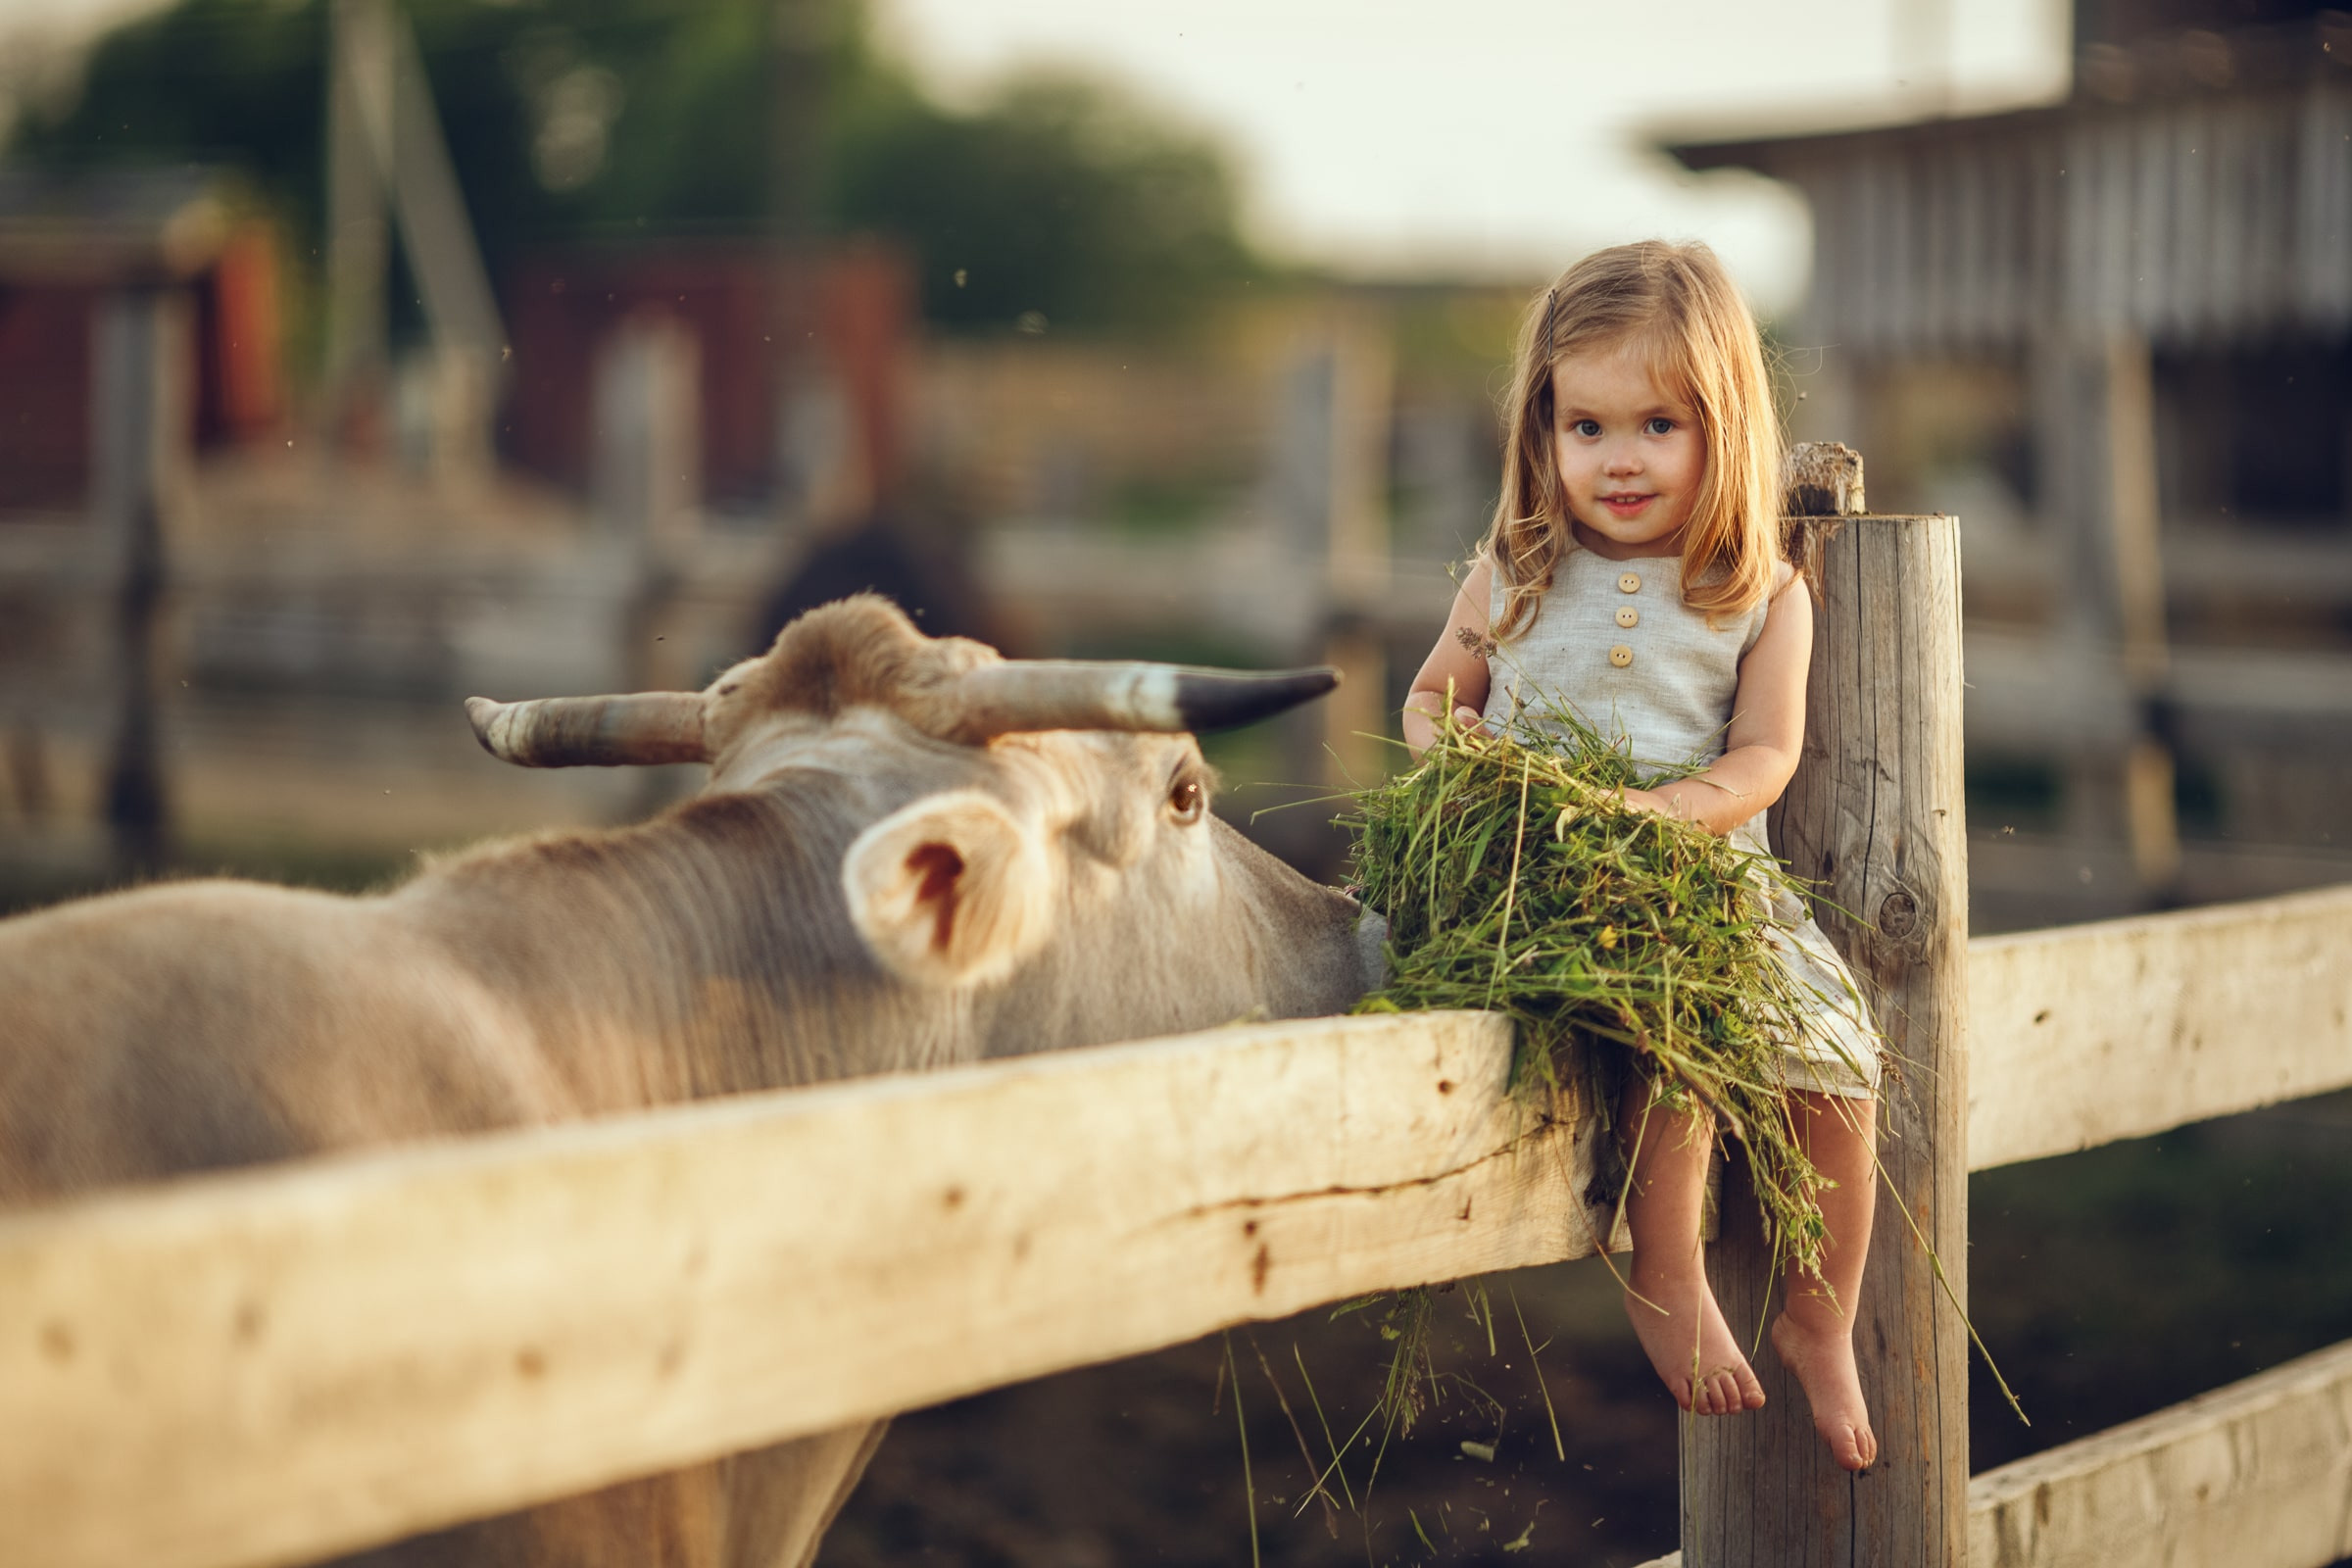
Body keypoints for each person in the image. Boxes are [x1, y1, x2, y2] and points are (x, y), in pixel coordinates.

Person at [1399, 239, 1883, 1473]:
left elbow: (1767, 756)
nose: (1619, 459)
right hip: (1535, 869)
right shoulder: (1515, 566)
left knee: (1842, 1067)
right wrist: (1465, 768)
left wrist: (1675, 812)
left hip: (1702, 869)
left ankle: (1820, 1313)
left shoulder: (1758, 589)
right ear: (1542, 431)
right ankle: (1661, 1259)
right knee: (1680, 1019)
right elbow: (1430, 699)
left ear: (1724, 428)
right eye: (1588, 425)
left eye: (1660, 424)